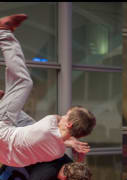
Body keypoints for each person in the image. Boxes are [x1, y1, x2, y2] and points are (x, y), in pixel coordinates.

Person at [0, 14, 96, 167]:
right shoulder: (57, 151)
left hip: (2, 131)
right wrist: (70, 140)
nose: (63, 115)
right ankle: (4, 101)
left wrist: (69, 136)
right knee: (26, 127)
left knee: (25, 83)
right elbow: (30, 129)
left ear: (69, 124)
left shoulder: (49, 124)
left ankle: (4, 32)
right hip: (6, 156)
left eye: (67, 115)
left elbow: (56, 120)